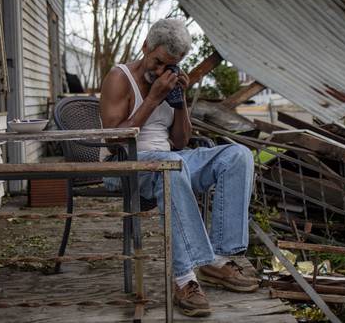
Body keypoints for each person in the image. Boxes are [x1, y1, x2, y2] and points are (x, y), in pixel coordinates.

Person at [99, 19, 258, 317]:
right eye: (158, 61)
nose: (161, 71)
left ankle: (219, 259)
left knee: (238, 155)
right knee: (172, 167)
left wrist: (180, 102)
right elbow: (113, 138)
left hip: (170, 162)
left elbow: (180, 141)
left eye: (169, 66)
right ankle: (185, 278)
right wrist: (153, 98)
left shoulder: (170, 85)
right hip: (124, 164)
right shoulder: (119, 78)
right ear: (146, 46)